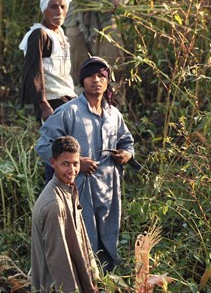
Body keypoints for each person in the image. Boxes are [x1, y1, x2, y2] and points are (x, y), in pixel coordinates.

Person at [35, 56, 139, 271]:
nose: (96, 80)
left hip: (109, 186)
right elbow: (44, 145)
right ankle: (83, 277)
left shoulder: (114, 114)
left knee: (108, 233)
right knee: (80, 234)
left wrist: (126, 154)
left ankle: (107, 275)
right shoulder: (68, 112)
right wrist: (75, 164)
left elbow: (126, 141)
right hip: (78, 187)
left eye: (101, 76)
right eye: (90, 76)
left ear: (107, 81)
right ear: (82, 81)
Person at [20, 0, 77, 182]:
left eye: (62, 7)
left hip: (67, 99)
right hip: (52, 103)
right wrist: (43, 105)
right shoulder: (39, 34)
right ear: (45, 9)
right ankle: (53, 197)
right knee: (57, 151)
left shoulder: (61, 34)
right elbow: (32, 71)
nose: (58, 11)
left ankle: (71, 197)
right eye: (53, 7)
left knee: (70, 152)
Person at [30, 136, 100, 293]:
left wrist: (93, 277)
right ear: (53, 163)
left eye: (75, 164)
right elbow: (59, 261)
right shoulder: (54, 204)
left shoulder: (68, 189)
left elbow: (80, 240)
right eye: (65, 164)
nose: (72, 170)